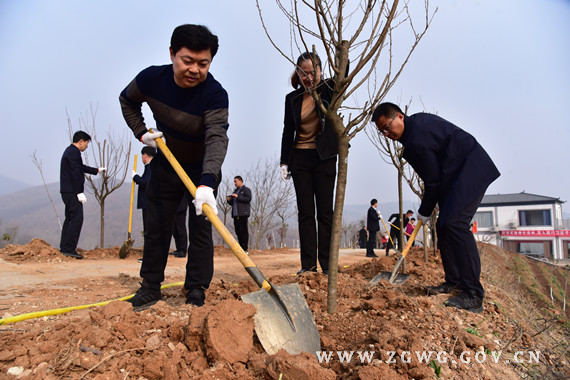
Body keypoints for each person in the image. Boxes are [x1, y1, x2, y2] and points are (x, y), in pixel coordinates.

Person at [119, 24, 229, 309]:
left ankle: (195, 289)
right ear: (172, 54)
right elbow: (127, 100)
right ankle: (150, 287)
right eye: (187, 61)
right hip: (167, 163)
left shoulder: (215, 94)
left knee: (201, 229)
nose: (194, 69)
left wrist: (208, 182)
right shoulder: (151, 79)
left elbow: (217, 137)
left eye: (203, 63)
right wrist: (141, 133)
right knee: (157, 225)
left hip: (200, 169)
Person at [372, 102, 500, 313]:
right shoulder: (418, 124)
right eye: (382, 131)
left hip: (470, 169)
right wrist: (428, 208)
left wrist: (423, 211)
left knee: (455, 224)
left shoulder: (417, 141)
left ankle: (473, 295)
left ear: (400, 117)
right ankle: (454, 281)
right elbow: (437, 177)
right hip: (456, 174)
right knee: (443, 226)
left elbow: (433, 183)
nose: (387, 133)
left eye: (388, 126)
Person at [280, 51, 338, 276]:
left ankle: (327, 265)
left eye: (312, 72)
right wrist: (284, 162)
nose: (308, 77)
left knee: (325, 212)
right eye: (303, 72)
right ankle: (308, 265)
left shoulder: (329, 89)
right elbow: (288, 131)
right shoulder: (292, 99)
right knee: (305, 213)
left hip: (324, 158)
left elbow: (345, 70)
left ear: (320, 71)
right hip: (300, 158)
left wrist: (338, 52)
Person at [59, 131, 106, 259]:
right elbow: (76, 173)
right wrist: (79, 191)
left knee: (70, 218)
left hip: (67, 190)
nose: (86, 146)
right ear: (81, 141)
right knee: (76, 219)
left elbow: (80, 167)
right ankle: (69, 249)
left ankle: (65, 247)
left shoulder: (70, 151)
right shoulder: (74, 153)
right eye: (86, 143)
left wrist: (96, 170)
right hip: (72, 191)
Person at [132, 146, 156, 263]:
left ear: (145, 155)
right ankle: (149, 256)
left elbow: (146, 183)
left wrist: (135, 177)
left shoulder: (150, 167)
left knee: (149, 230)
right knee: (149, 229)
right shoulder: (150, 167)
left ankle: (148, 257)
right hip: (149, 203)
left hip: (148, 203)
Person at [226, 175, 252, 253]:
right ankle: (241, 247)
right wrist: (229, 200)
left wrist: (237, 197)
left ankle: (245, 248)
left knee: (244, 231)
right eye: (234, 181)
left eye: (235, 181)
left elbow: (248, 199)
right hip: (235, 214)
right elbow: (233, 203)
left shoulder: (246, 190)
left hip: (243, 214)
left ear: (240, 181)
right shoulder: (235, 191)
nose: (234, 183)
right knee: (238, 231)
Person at [170, 194, 189, 258]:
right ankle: (178, 248)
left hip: (181, 206)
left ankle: (183, 250)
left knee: (180, 228)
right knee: (174, 229)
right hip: (173, 205)